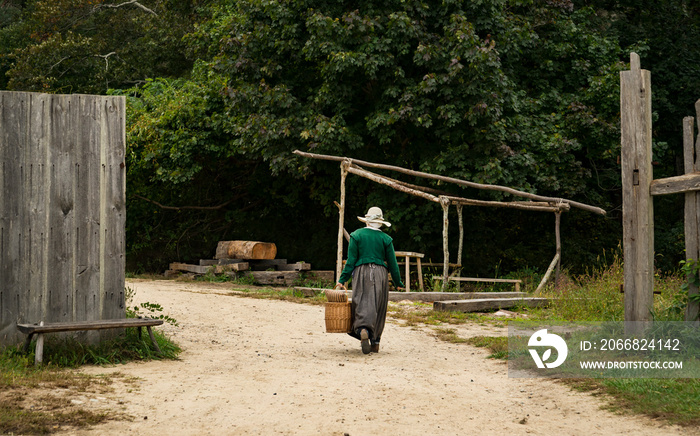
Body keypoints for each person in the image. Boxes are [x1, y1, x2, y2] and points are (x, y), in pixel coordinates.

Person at [336, 206, 405, 354]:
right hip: (380, 273)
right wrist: (398, 282)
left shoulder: (357, 235)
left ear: (367, 221)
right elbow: (393, 263)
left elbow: (351, 261)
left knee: (361, 300)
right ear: (380, 222)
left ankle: (362, 328)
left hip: (362, 271)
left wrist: (342, 280)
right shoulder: (386, 239)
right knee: (379, 305)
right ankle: (375, 342)